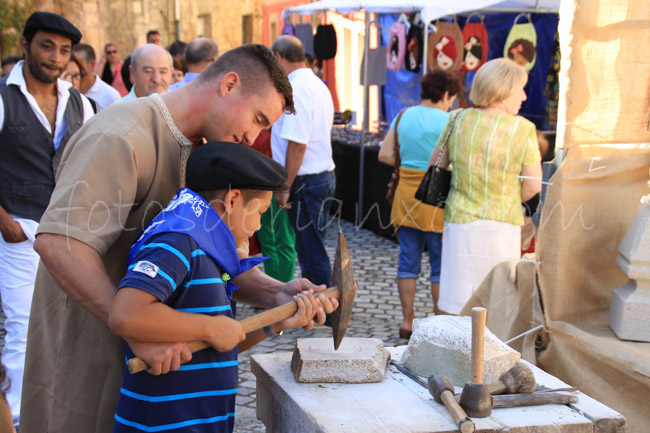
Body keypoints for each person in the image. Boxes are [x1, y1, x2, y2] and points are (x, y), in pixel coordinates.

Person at [21, 43, 337, 433]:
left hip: (157, 379)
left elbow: (216, 261)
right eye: (257, 118)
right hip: (86, 354)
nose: (252, 135)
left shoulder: (209, 153)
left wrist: (276, 294)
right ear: (229, 84)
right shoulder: (121, 134)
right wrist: (137, 327)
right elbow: (59, 242)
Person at [109, 142, 324, 432]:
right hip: (163, 424)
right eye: (260, 211)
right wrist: (210, 328)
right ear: (232, 200)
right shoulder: (177, 242)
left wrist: (274, 323)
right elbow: (126, 314)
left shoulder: (210, 252)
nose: (259, 225)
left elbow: (220, 342)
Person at [0, 11, 94, 429]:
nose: (55, 57)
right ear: (25, 46)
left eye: (64, 50)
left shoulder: (80, 102)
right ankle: (17, 418)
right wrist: (5, 223)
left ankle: (61, 408)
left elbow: (90, 163)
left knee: (69, 325)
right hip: (18, 232)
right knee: (24, 326)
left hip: (67, 232)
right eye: (47, 46)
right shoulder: (3, 98)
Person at [431, 58, 542, 315]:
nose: (524, 96)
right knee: (498, 303)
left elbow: (436, 164)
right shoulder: (523, 129)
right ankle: (488, 343)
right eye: (520, 89)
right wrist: (507, 196)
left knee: (457, 301)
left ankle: (455, 340)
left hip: (460, 222)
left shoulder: (457, 119)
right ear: (503, 90)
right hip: (502, 224)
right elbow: (532, 186)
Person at [378, 69, 461, 339]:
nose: (452, 103)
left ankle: (407, 320)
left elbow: (385, 155)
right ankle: (441, 321)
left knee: (408, 259)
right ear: (446, 94)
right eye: (452, 98)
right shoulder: (451, 120)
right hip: (438, 195)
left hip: (406, 195)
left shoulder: (403, 115)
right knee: (440, 264)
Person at [271, 35, 336, 289]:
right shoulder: (315, 83)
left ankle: (324, 305)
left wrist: (284, 187)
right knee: (312, 247)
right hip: (318, 176)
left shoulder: (297, 88)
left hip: (306, 180)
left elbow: (297, 144)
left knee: (311, 251)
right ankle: (321, 300)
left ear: (278, 57)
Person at [251, 129, 297, 282]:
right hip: (257, 189)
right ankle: (272, 286)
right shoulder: (251, 129)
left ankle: (284, 287)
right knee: (266, 241)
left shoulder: (282, 129)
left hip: (279, 189)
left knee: (284, 241)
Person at [72, 43, 121, 110]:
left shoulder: (111, 96)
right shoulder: (66, 93)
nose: (75, 67)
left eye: (78, 63)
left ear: (92, 64)